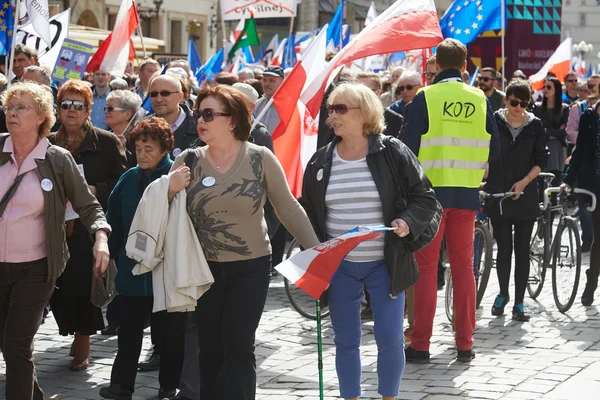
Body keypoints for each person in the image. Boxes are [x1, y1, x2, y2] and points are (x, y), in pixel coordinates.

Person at [168, 85, 320, 400]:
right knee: (209, 348)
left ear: (233, 120)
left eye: (209, 114)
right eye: (198, 113)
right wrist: (168, 188)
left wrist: (316, 253)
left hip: (250, 267)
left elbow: (288, 208)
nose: (200, 120)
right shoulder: (188, 159)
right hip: (203, 268)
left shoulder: (259, 158)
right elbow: (164, 210)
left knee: (238, 345)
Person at [300, 82, 438, 400]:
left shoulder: (392, 152)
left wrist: (407, 221)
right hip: (340, 266)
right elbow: (307, 211)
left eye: (340, 109)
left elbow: (425, 197)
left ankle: (388, 397)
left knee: (389, 336)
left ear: (365, 113)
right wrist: (312, 252)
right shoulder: (320, 161)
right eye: (330, 109)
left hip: (385, 262)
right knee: (346, 339)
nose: (331, 116)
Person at [0, 81, 111, 400]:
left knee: (18, 344)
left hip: (36, 268)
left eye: (22, 107)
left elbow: (88, 206)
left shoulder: (57, 159)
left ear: (41, 116)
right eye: (9, 107)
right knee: (8, 344)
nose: (12, 113)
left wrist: (101, 237)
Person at [403, 38, 500, 363]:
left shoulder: (426, 97)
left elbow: (406, 150)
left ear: (434, 63)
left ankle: (421, 344)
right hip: (467, 195)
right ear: (464, 66)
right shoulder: (479, 98)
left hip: (429, 198)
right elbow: (495, 149)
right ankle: (464, 344)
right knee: (464, 269)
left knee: (428, 268)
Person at [99, 117, 185, 400]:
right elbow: (114, 220)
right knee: (129, 333)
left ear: (164, 149)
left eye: (149, 148)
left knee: (170, 335)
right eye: (138, 148)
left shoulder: (178, 177)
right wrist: (111, 254)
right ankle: (122, 385)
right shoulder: (128, 179)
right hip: (133, 272)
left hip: (167, 273)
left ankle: (169, 386)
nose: (143, 154)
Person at [48, 80, 127, 371]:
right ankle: (70, 329)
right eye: (65, 104)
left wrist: (95, 189)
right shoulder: (48, 141)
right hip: (54, 226)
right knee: (57, 287)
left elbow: (121, 182)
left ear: (88, 110)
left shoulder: (105, 141)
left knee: (84, 286)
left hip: (87, 228)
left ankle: (83, 342)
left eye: (78, 105)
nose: (71, 110)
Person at [484, 80, 548, 321]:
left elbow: (541, 159)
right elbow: (484, 150)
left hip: (525, 194)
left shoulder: (535, 126)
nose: (518, 107)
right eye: (514, 102)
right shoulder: (493, 121)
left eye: (523, 103)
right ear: (506, 99)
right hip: (499, 194)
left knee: (522, 250)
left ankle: (519, 302)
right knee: (504, 250)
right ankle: (502, 294)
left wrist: (524, 182)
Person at [562, 89, 600, 306]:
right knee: (599, 237)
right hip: (595, 185)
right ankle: (591, 284)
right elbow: (579, 152)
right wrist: (568, 179)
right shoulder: (588, 117)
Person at [532, 77, 569, 189]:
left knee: (555, 182)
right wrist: (553, 132)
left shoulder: (564, 109)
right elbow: (535, 129)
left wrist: (546, 130)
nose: (545, 89)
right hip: (540, 146)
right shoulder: (537, 108)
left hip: (557, 150)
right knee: (540, 181)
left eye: (549, 87)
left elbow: (563, 133)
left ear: (556, 90)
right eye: (544, 87)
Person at [149, 74, 197, 158]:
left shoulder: (199, 126)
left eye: (165, 93)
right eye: (154, 94)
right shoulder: (142, 127)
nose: (158, 99)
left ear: (180, 97)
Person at [104, 89, 144, 167]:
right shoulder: (105, 136)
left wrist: (124, 151)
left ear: (127, 114)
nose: (106, 111)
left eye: (110, 108)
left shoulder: (139, 139)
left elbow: (139, 169)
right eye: (105, 108)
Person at [253, 66, 284, 134]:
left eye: (271, 80)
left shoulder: (289, 106)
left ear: (282, 82)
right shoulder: (257, 104)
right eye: (264, 80)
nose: (266, 84)